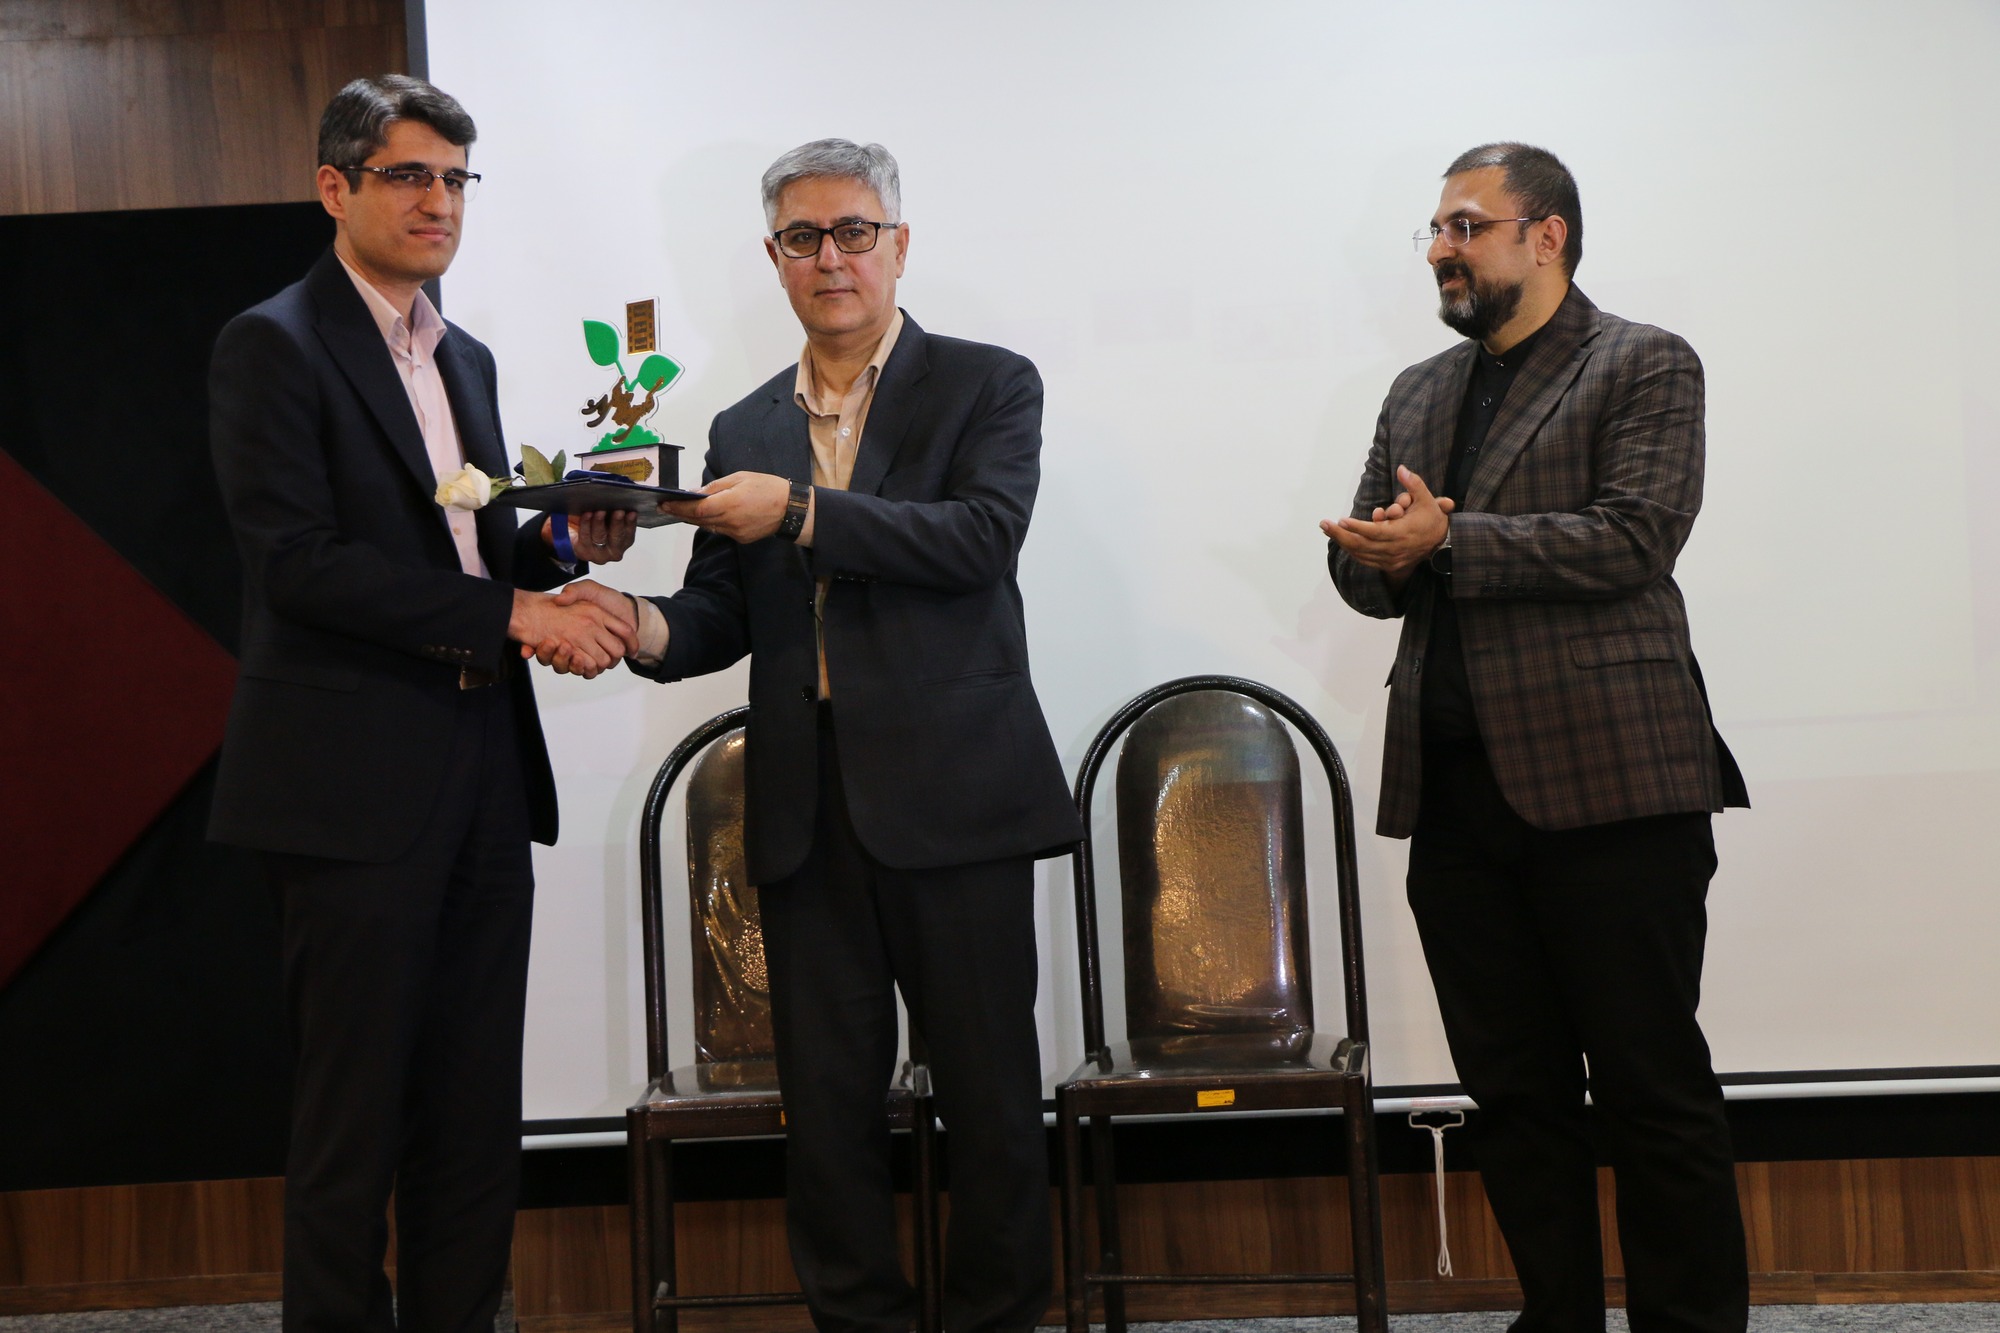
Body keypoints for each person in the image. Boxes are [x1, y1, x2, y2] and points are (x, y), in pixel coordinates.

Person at [554, 138, 1081, 1333]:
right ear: (774, 258)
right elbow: (719, 614)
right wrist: (628, 619)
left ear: (898, 244)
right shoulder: (742, 425)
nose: (830, 258)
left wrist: (797, 511)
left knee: (991, 1102)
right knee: (827, 1112)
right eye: (803, 238)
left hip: (957, 801)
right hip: (806, 809)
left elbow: (977, 539)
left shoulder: (986, 383)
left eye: (853, 232)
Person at [207, 74, 639, 1332]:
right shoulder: (274, 343)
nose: (437, 201)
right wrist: (515, 615)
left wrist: (563, 546)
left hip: (482, 763)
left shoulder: (467, 356)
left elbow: (472, 548)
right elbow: (299, 564)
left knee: (472, 1109)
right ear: (333, 187)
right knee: (354, 1121)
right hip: (347, 784)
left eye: (454, 179)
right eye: (407, 175)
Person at [1323, 143, 1751, 1333]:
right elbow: (1366, 569)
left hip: (1613, 786)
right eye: (1434, 229)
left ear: (1545, 234)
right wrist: (1377, 557)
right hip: (1455, 798)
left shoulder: (1641, 360)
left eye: (1464, 225)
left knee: (1650, 1087)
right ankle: (1555, 1316)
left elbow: (1633, 535)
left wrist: (1447, 542)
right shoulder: (1417, 391)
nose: (1439, 249)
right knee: (1511, 1092)